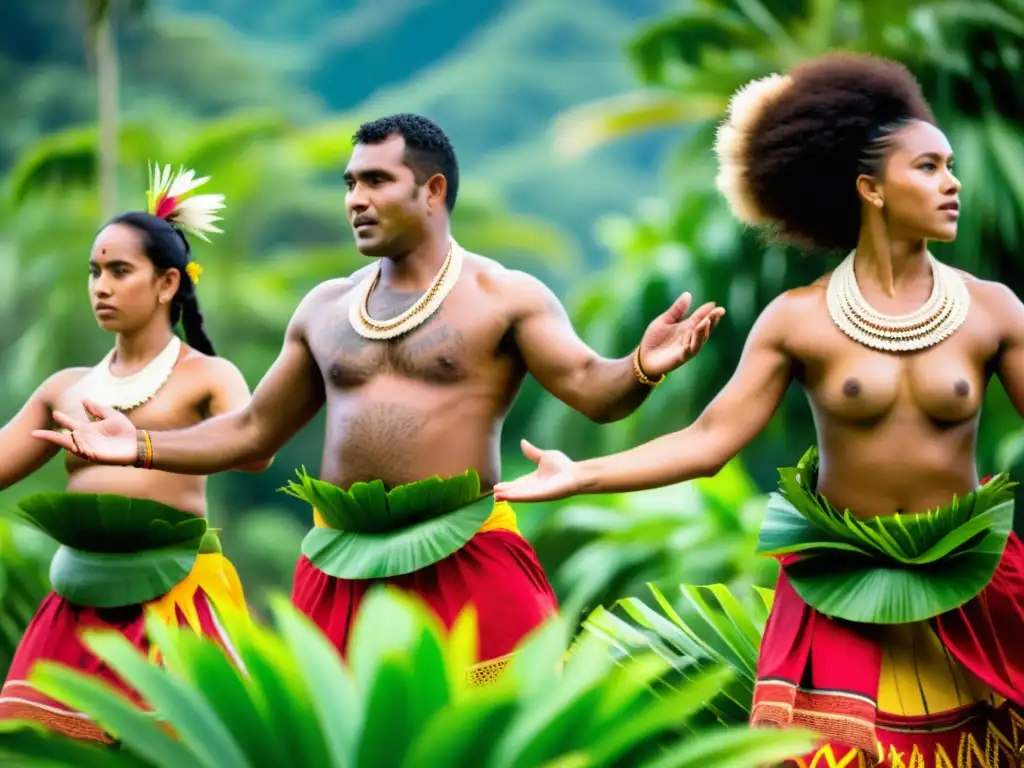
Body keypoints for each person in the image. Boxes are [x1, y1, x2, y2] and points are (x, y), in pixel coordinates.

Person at [33, 113, 725, 684]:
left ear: (431, 190)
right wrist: (143, 446)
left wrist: (640, 365)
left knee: (502, 738)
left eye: (374, 181)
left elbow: (592, 392)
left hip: (467, 551)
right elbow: (251, 434)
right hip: (339, 561)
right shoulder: (325, 309)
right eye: (348, 183)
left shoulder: (503, 296)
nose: (354, 199)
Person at [491, 54, 1024, 766]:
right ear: (869, 187)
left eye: (949, 165)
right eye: (928, 167)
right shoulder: (797, 320)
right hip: (841, 589)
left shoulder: (995, 310)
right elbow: (710, 439)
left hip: (971, 577)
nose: (953, 183)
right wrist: (581, 474)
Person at [0, 164, 263, 742]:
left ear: (167, 283)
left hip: (176, 595)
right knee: (35, 747)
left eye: (120, 271)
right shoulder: (63, 389)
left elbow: (253, 450)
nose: (101, 285)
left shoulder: (208, 377)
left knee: (183, 748)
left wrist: (143, 446)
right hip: (78, 599)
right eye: (95, 271)